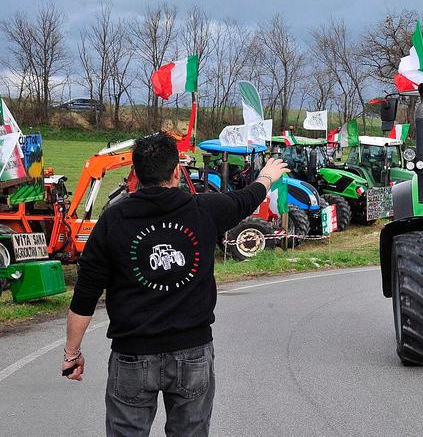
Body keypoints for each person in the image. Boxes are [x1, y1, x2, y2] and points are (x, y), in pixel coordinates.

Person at [61, 132, 289, 436]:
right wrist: (265, 177)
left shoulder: (113, 220)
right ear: (175, 171)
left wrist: (71, 354)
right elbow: (245, 200)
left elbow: (85, 294)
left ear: (136, 174)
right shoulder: (204, 209)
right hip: (192, 353)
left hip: (131, 355)